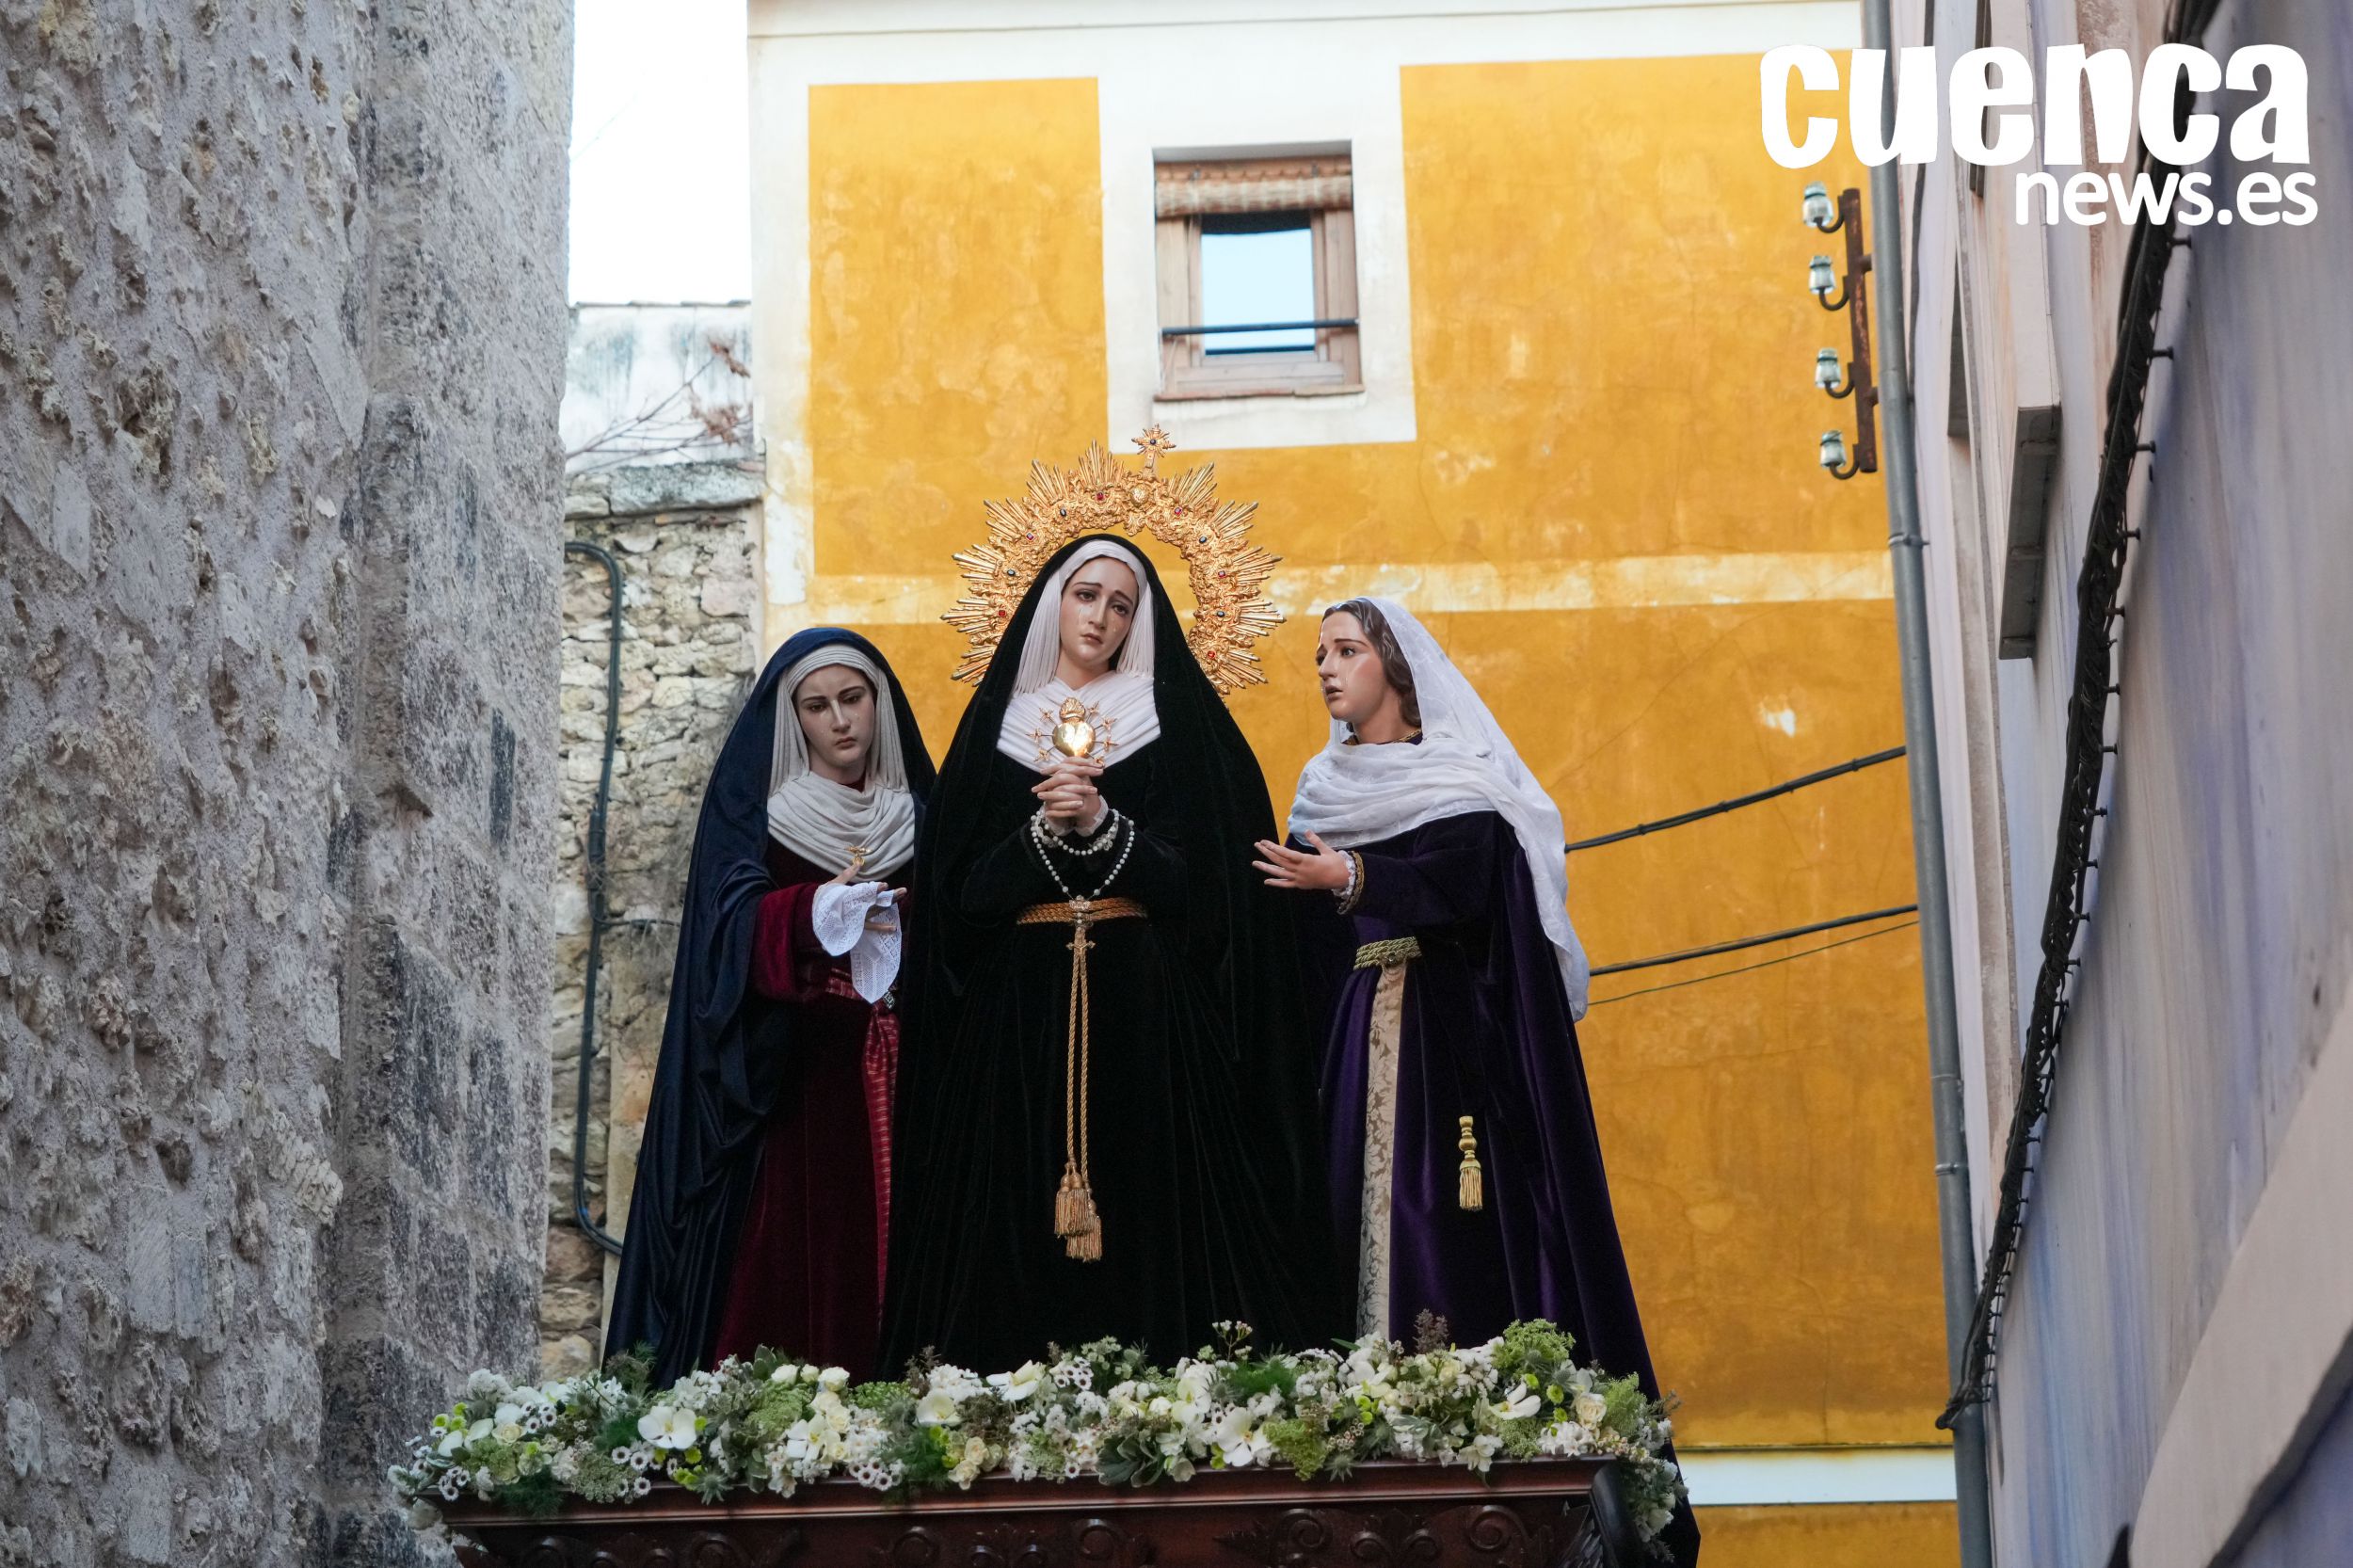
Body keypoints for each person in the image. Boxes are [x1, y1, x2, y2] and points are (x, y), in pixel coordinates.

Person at [1254, 598, 1698, 1565]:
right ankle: (1345, 1444)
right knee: (1341, 1215)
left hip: (1446, 1057)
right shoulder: (1319, 795)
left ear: (1395, 666)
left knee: (1435, 1220)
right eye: (1319, 653)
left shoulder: (1461, 783)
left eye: (1346, 650)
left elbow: (1470, 882)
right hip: (1349, 1046)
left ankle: (1460, 1438)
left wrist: (1353, 880)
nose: (1325, 668)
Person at [879, 536, 1342, 1374]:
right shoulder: (996, 728)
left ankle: (1160, 1393)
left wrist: (1102, 825)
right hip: (1016, 1025)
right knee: (1012, 1203)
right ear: (1053, 601)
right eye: (1086, 595)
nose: (1100, 617)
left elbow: (1213, 891)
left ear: (1140, 621)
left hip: (1149, 1016)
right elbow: (960, 899)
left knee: (1152, 1194)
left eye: (1121, 605)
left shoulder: (1176, 725)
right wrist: (1038, 834)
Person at [606, 629, 934, 1384]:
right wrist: (812, 910)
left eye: (853, 698)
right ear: (795, 719)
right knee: (794, 1252)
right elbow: (724, 931)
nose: (840, 720)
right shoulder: (762, 817)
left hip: (910, 1068)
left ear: (879, 703)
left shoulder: (923, 817)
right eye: (817, 706)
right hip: (795, 1077)